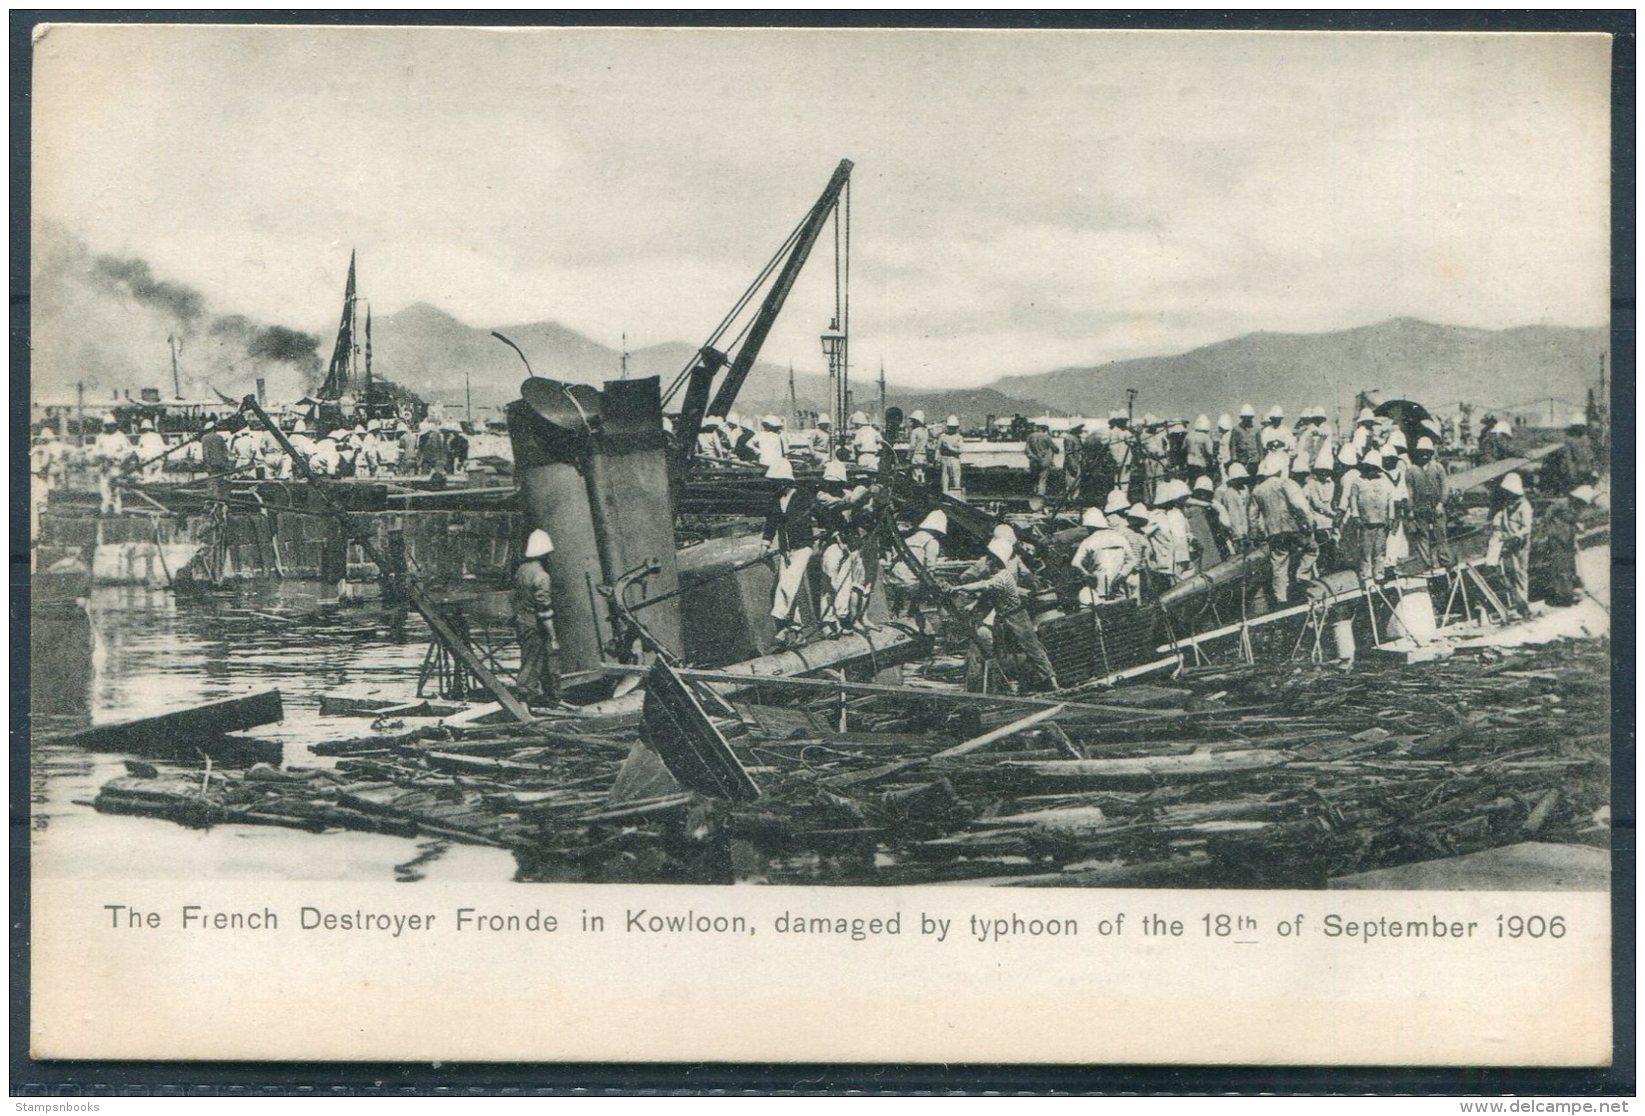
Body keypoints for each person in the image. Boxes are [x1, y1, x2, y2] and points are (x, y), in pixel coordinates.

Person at [955, 536, 1060, 693]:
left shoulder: (1003, 577)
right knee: (1001, 649)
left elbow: (984, 586)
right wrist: (973, 604)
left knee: (1031, 647)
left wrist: (958, 588)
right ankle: (1004, 684)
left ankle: (1052, 682)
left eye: (990, 560)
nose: (987, 563)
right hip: (1003, 617)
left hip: (1017, 617)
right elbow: (988, 594)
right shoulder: (999, 576)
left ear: (996, 561)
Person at [760, 460, 817, 647]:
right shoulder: (776, 499)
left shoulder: (803, 496)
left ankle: (782, 624)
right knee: (794, 588)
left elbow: (818, 513)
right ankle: (798, 631)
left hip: (803, 546)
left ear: (785, 480)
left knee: (788, 584)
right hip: (786, 548)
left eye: (777, 481)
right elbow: (771, 523)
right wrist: (765, 545)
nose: (774, 485)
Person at [1249, 456, 1314, 603]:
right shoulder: (1286, 483)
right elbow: (1299, 505)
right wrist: (1308, 522)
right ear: (1279, 470)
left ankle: (1281, 597)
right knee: (1312, 548)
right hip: (1292, 528)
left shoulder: (1257, 490)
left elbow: (1252, 517)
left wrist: (1254, 534)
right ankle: (1302, 575)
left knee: (1279, 563)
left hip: (1273, 532)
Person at [513, 528, 560, 705]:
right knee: (533, 662)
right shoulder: (542, 575)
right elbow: (544, 609)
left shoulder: (522, 570)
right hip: (535, 625)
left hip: (521, 621)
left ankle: (539, 698)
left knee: (528, 658)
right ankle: (524, 701)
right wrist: (553, 636)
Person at [885, 509, 946, 630]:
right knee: (913, 610)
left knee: (895, 610)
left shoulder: (905, 536)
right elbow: (930, 565)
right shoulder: (931, 541)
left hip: (893, 579)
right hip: (912, 582)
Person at [1345, 453, 1397, 583]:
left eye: (1374, 468)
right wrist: (1356, 515)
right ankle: (1366, 575)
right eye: (1369, 468)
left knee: (1380, 550)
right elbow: (1353, 499)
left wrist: (1391, 517)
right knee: (1365, 550)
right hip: (1366, 521)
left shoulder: (1385, 481)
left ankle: (1379, 574)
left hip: (1382, 520)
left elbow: (1391, 499)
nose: (1371, 471)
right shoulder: (1357, 481)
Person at [1489, 472, 1534, 619]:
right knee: (1509, 573)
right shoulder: (1508, 504)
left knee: (1520, 574)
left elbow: (1527, 528)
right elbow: (1500, 516)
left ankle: (1524, 607)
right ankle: (1517, 605)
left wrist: (1516, 535)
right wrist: (1497, 527)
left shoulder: (1524, 506)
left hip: (1520, 545)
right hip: (1508, 543)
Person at [1072, 506, 1137, 605]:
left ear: (1090, 526)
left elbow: (1075, 563)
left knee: (1085, 597)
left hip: (1098, 585)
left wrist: (1087, 575)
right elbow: (1132, 560)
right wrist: (1122, 574)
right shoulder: (1120, 537)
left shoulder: (1089, 541)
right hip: (1119, 585)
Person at [1405, 436, 1451, 570]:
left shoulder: (1438, 468)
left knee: (1440, 535)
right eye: (1421, 452)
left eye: (1427, 452)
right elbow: (1409, 491)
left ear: (1431, 453)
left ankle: (1445, 561)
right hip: (1420, 508)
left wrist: (1441, 504)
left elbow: (1445, 487)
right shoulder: (1412, 470)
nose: (1424, 455)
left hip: (1437, 507)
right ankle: (1428, 563)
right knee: (1422, 537)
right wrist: (1410, 509)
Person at [1302, 446, 1339, 570]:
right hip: (1318, 519)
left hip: (1329, 519)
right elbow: (1317, 503)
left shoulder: (1331, 484)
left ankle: (1331, 568)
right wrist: (1332, 513)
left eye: (1326, 472)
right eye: (1321, 472)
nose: (1324, 474)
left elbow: (1331, 500)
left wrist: (1333, 513)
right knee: (1322, 545)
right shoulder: (1312, 484)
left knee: (1332, 545)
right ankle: (1321, 567)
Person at [1210, 462, 1252, 555]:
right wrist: (1239, 533)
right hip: (1238, 530)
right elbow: (1234, 515)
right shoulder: (1229, 493)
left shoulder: (1245, 489)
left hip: (1247, 525)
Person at [1024, 422, 1057, 510]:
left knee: (1034, 479)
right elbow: (1055, 449)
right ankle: (1040, 499)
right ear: (1045, 430)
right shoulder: (1046, 437)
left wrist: (1033, 456)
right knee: (1042, 480)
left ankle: (1033, 497)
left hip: (1033, 461)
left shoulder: (1030, 436)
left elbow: (1026, 450)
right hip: (1044, 461)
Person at [938, 415, 966, 498]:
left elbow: (960, 450)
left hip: (954, 459)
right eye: (950, 427)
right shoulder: (943, 436)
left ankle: (956, 498)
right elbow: (938, 448)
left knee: (956, 480)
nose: (952, 429)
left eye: (953, 427)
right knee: (944, 480)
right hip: (944, 459)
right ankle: (944, 496)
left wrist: (949, 448)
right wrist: (937, 459)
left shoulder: (959, 437)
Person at [1229, 404, 1262, 473]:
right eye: (1245, 417)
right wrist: (1234, 457)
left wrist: (1261, 458)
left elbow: (1259, 444)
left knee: (1252, 479)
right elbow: (1233, 444)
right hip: (1241, 459)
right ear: (1242, 418)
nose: (1247, 419)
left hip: (1253, 459)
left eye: (1249, 417)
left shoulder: (1256, 429)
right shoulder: (1236, 429)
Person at [1186, 415, 1217, 479]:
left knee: (1192, 481)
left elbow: (1183, 448)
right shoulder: (1205, 437)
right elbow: (1210, 452)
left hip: (1190, 463)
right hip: (1201, 464)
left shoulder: (1189, 435)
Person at [905, 410, 931, 485]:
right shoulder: (925, 431)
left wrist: (908, 457)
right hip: (924, 456)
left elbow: (912, 446)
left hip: (916, 456)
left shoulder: (914, 431)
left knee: (916, 477)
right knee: (922, 476)